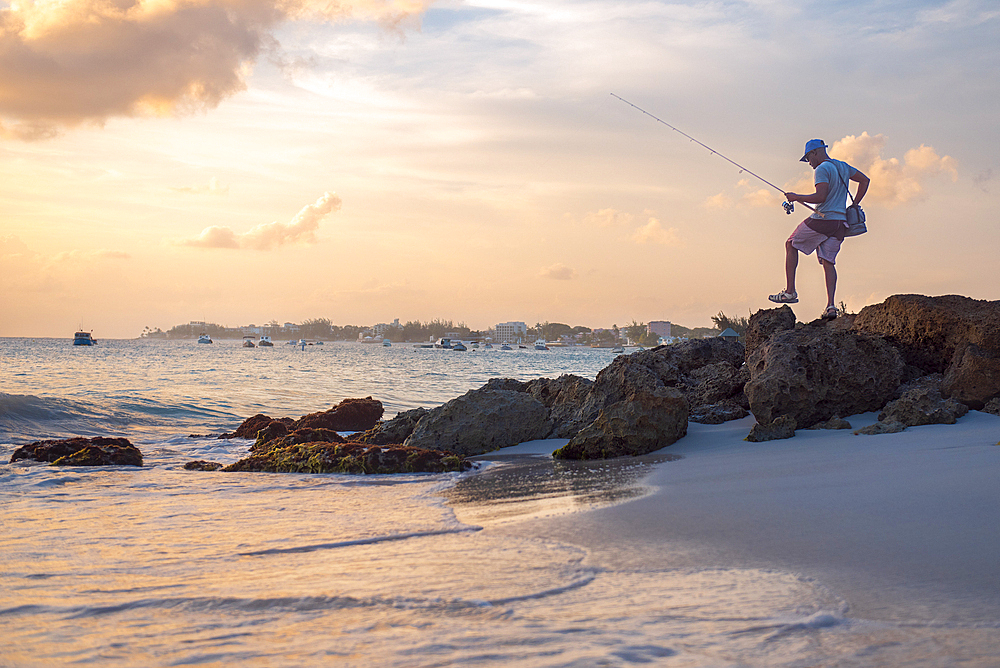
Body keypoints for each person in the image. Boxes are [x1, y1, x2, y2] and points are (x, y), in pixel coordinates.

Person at [769, 139, 870, 319]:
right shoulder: (842, 166)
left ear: (815, 152)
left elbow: (820, 197)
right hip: (841, 223)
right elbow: (864, 180)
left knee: (790, 244)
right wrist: (854, 204)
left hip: (824, 219)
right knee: (828, 262)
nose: (809, 163)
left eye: (808, 158)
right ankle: (831, 306)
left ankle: (790, 292)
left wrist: (795, 197)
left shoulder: (822, 169)